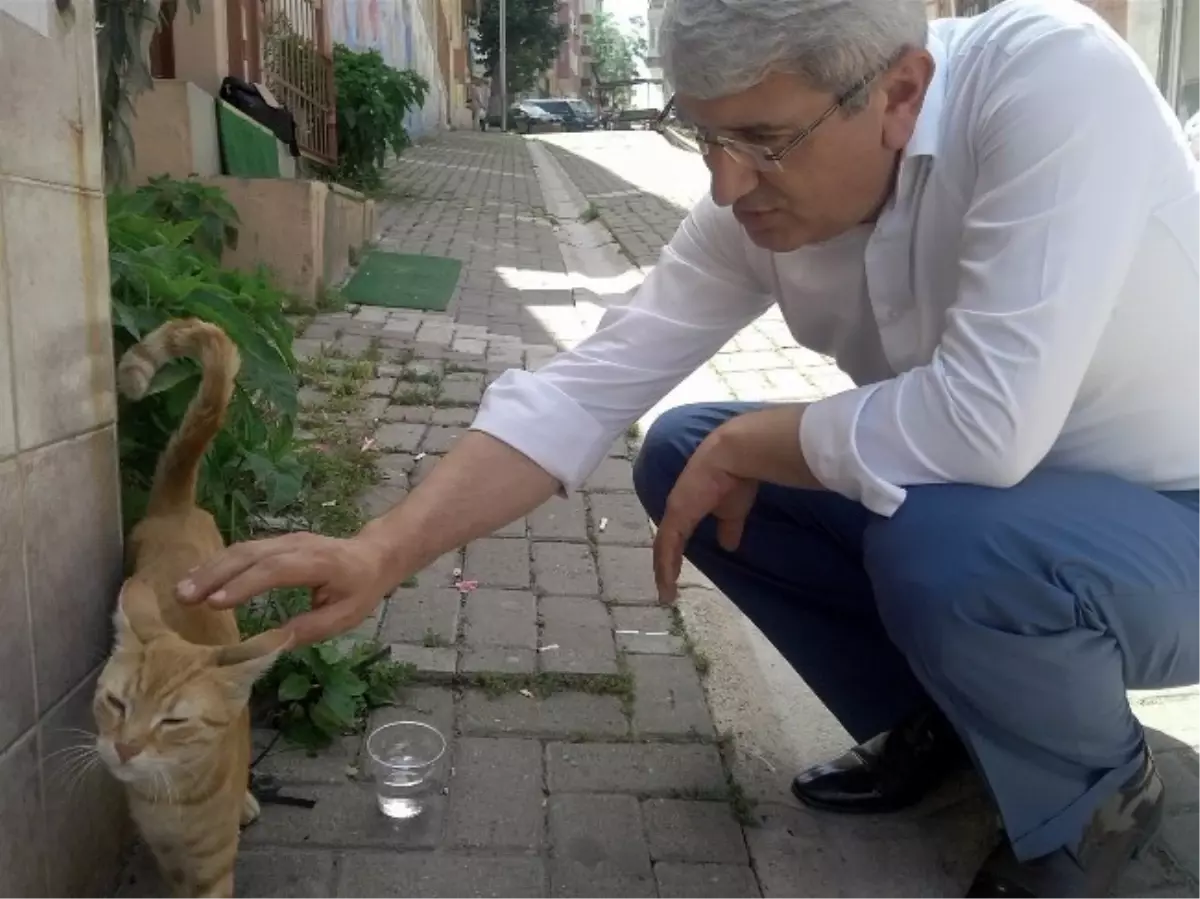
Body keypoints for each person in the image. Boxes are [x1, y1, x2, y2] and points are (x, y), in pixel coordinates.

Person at [177, 0, 1200, 895]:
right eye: (699, 136)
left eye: (760, 139)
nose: (723, 187)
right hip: (996, 501)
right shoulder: (757, 192)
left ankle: (1095, 797)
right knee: (682, 454)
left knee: (934, 538)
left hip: (1172, 517)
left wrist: (765, 436)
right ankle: (936, 716)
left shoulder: (1051, 80)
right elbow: (592, 379)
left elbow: (986, 420)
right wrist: (381, 551)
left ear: (900, 92)